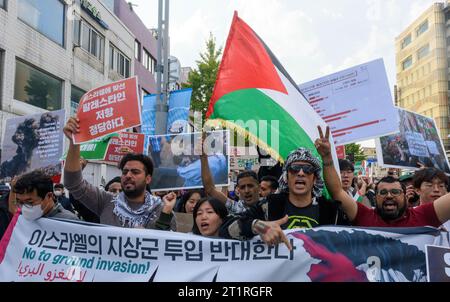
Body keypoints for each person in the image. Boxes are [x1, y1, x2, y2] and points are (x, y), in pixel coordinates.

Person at [315, 125, 450, 228]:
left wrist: (429, 172)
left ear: (405, 195)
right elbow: (337, 192)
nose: (389, 196)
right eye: (383, 192)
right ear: (376, 197)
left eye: (395, 192)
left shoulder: (424, 215)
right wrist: (327, 158)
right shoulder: (364, 216)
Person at [219, 147, 349, 249]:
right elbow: (225, 229)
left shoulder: (332, 211)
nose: (301, 173)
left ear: (315, 179)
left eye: (308, 169)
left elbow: (352, 243)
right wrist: (258, 227)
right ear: (286, 177)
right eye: (294, 168)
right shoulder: (269, 205)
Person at [63, 116, 176, 230]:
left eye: (135, 172)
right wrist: (74, 143)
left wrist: (164, 216)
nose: (128, 175)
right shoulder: (106, 201)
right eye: (125, 171)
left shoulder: (162, 210)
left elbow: (166, 245)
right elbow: (73, 183)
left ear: (148, 179)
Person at [12, 170, 79, 221]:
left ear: (49, 196)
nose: (24, 207)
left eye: (30, 202)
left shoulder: (69, 221)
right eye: (20, 202)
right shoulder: (21, 218)